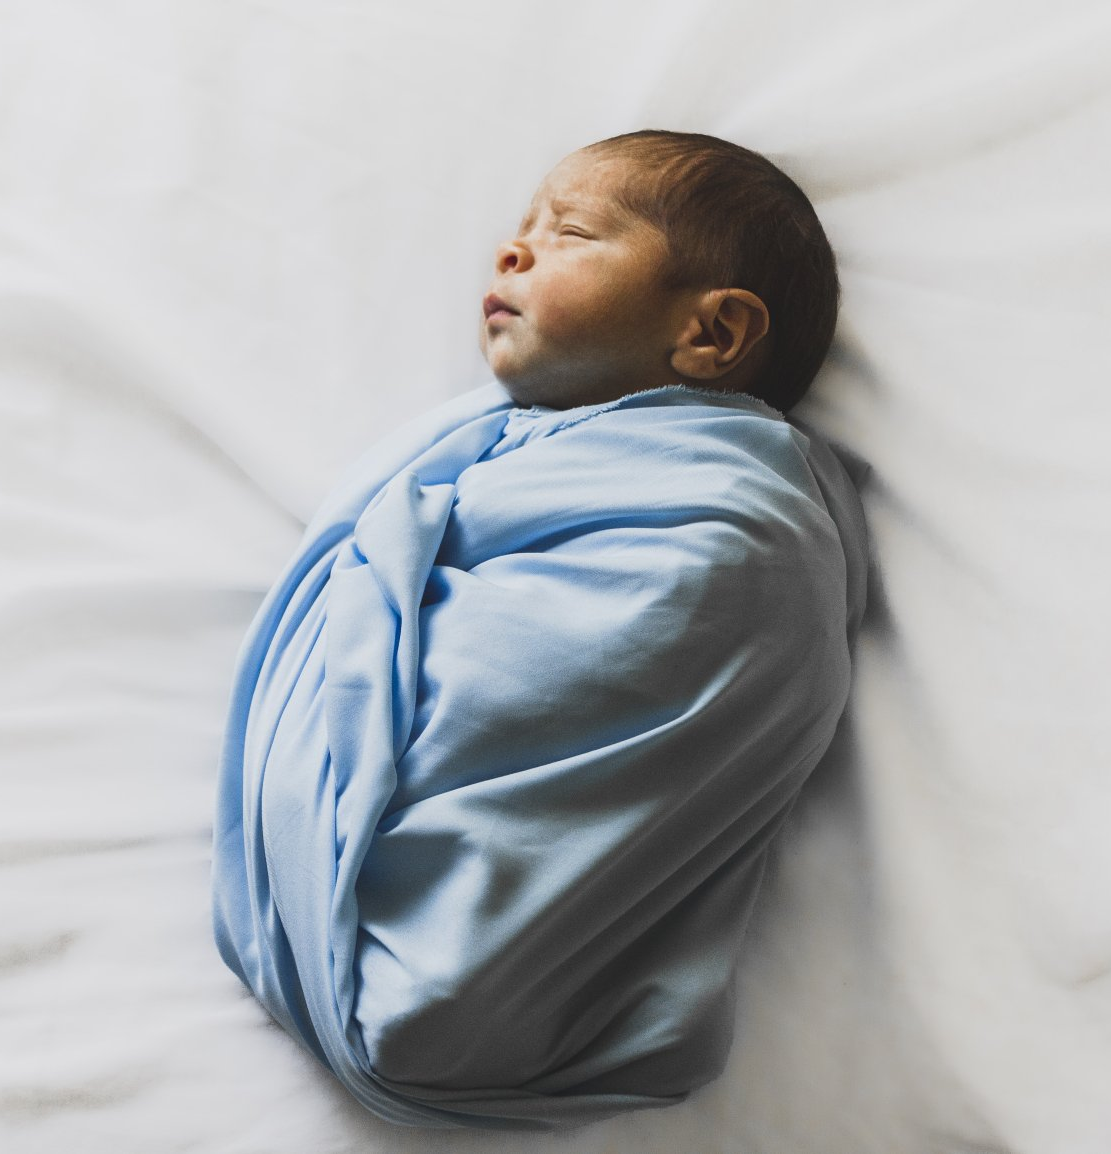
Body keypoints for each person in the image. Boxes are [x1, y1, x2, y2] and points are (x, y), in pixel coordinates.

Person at [212, 130, 869, 1130]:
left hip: (491, 982)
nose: (511, 253)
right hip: (448, 999)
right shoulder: (500, 445)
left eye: (568, 233)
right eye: (519, 231)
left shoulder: (737, 517)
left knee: (446, 994)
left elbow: (626, 646)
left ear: (711, 334)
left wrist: (389, 572)